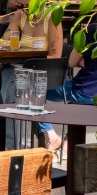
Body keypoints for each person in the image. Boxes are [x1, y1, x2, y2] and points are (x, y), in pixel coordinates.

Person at [38, 25, 97, 153]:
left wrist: (82, 58)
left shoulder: (90, 31)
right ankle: (68, 142)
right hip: (92, 95)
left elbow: (71, 62)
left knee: (33, 91)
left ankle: (51, 135)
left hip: (82, 91)